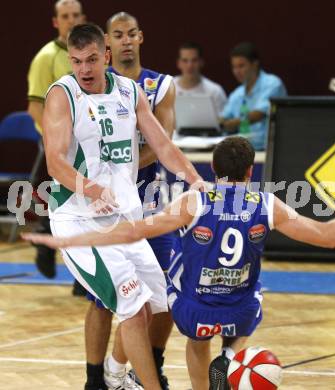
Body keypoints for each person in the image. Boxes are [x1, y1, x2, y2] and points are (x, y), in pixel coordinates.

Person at [24, 136, 335, 390]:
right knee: (253, 295)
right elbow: (326, 236)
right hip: (240, 310)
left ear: (213, 171)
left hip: (194, 310)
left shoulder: (193, 200)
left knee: (186, 327)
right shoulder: (267, 203)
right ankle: (230, 355)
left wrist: (67, 240)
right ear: (249, 172)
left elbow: (134, 231)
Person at [33, 22, 203, 390]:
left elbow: (162, 145)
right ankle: (142, 385)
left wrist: (195, 178)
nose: (85, 70)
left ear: (105, 56)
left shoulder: (129, 91)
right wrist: (92, 189)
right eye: (77, 62)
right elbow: (55, 163)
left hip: (124, 219)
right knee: (130, 305)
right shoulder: (63, 95)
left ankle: (113, 373)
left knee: (155, 304)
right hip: (78, 221)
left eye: (92, 60)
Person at [83, 11, 175, 390]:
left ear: (140, 37)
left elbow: (162, 142)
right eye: (117, 35)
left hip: (151, 200)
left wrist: (126, 163)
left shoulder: (160, 84)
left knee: (166, 292)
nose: (124, 40)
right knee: (105, 300)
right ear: (107, 42)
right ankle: (95, 380)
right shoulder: (91, 87)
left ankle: (148, 368)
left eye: (130, 34)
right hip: (107, 207)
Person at [27, 0, 86, 295]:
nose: (71, 20)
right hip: (60, 144)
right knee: (65, 207)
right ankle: (45, 242)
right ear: (55, 22)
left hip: (88, 143)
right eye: (65, 16)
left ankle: (82, 278)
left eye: (76, 15)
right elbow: (35, 106)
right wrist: (53, 138)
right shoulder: (46, 58)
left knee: (87, 211)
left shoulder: (92, 53)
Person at [220, 42, 287, 151]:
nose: (237, 71)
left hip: (270, 151)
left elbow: (258, 114)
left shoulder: (273, 83)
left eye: (241, 66)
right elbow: (223, 118)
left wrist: (230, 123)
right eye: (234, 67)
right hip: (243, 152)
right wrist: (220, 122)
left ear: (255, 64)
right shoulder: (237, 93)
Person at [174, 42, 227, 115]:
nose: (190, 65)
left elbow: (223, 123)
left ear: (201, 62)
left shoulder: (215, 91)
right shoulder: (167, 88)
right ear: (178, 63)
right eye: (185, 60)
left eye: (194, 60)